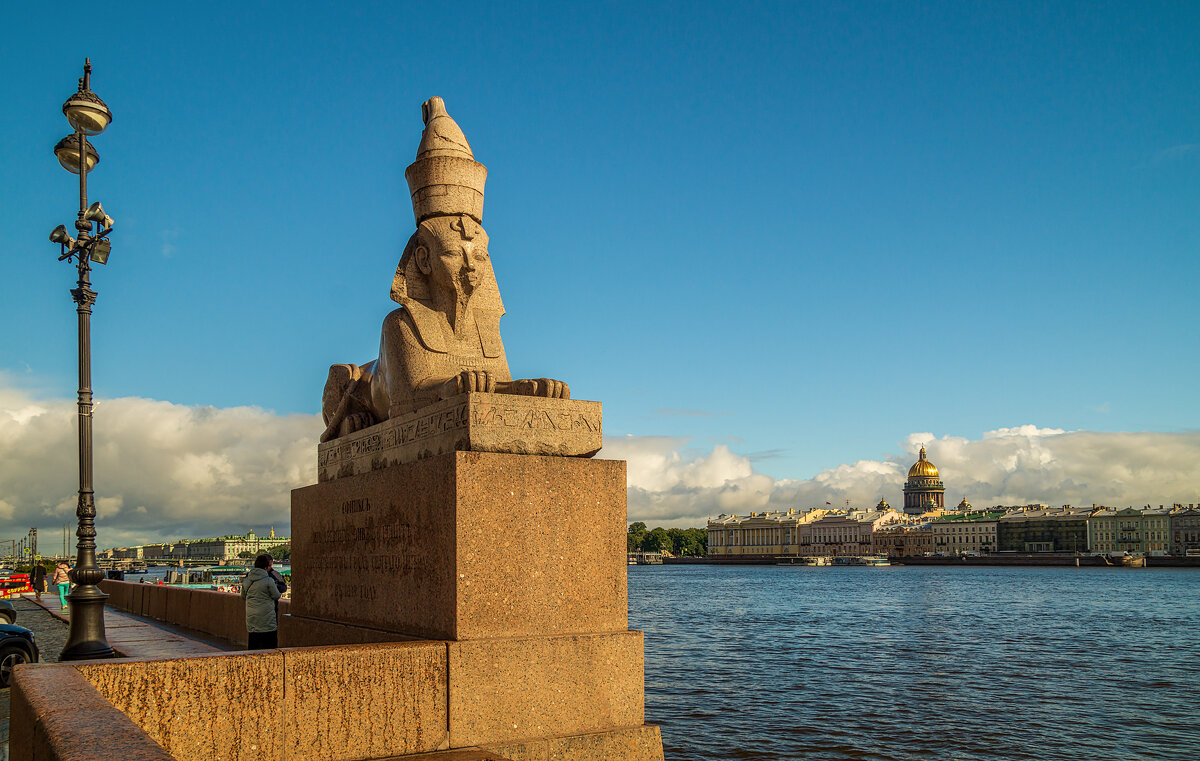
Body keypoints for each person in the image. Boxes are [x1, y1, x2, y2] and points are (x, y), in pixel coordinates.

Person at [240, 553, 281, 649]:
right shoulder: (269, 581)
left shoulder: (247, 580)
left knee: (253, 646)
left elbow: (243, 596)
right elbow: (276, 595)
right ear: (266, 567)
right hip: (267, 620)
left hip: (252, 619)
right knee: (270, 647)